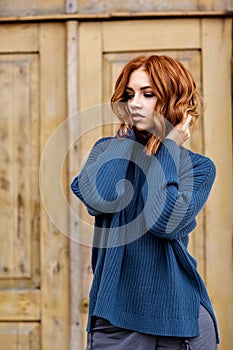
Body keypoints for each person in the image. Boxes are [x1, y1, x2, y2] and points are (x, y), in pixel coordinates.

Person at [71, 55, 219, 349]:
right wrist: (125, 137)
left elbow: (164, 223)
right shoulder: (107, 151)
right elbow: (100, 199)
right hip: (116, 322)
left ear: (173, 99)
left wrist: (168, 148)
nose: (134, 103)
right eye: (129, 95)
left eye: (147, 94)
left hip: (182, 321)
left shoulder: (199, 168)